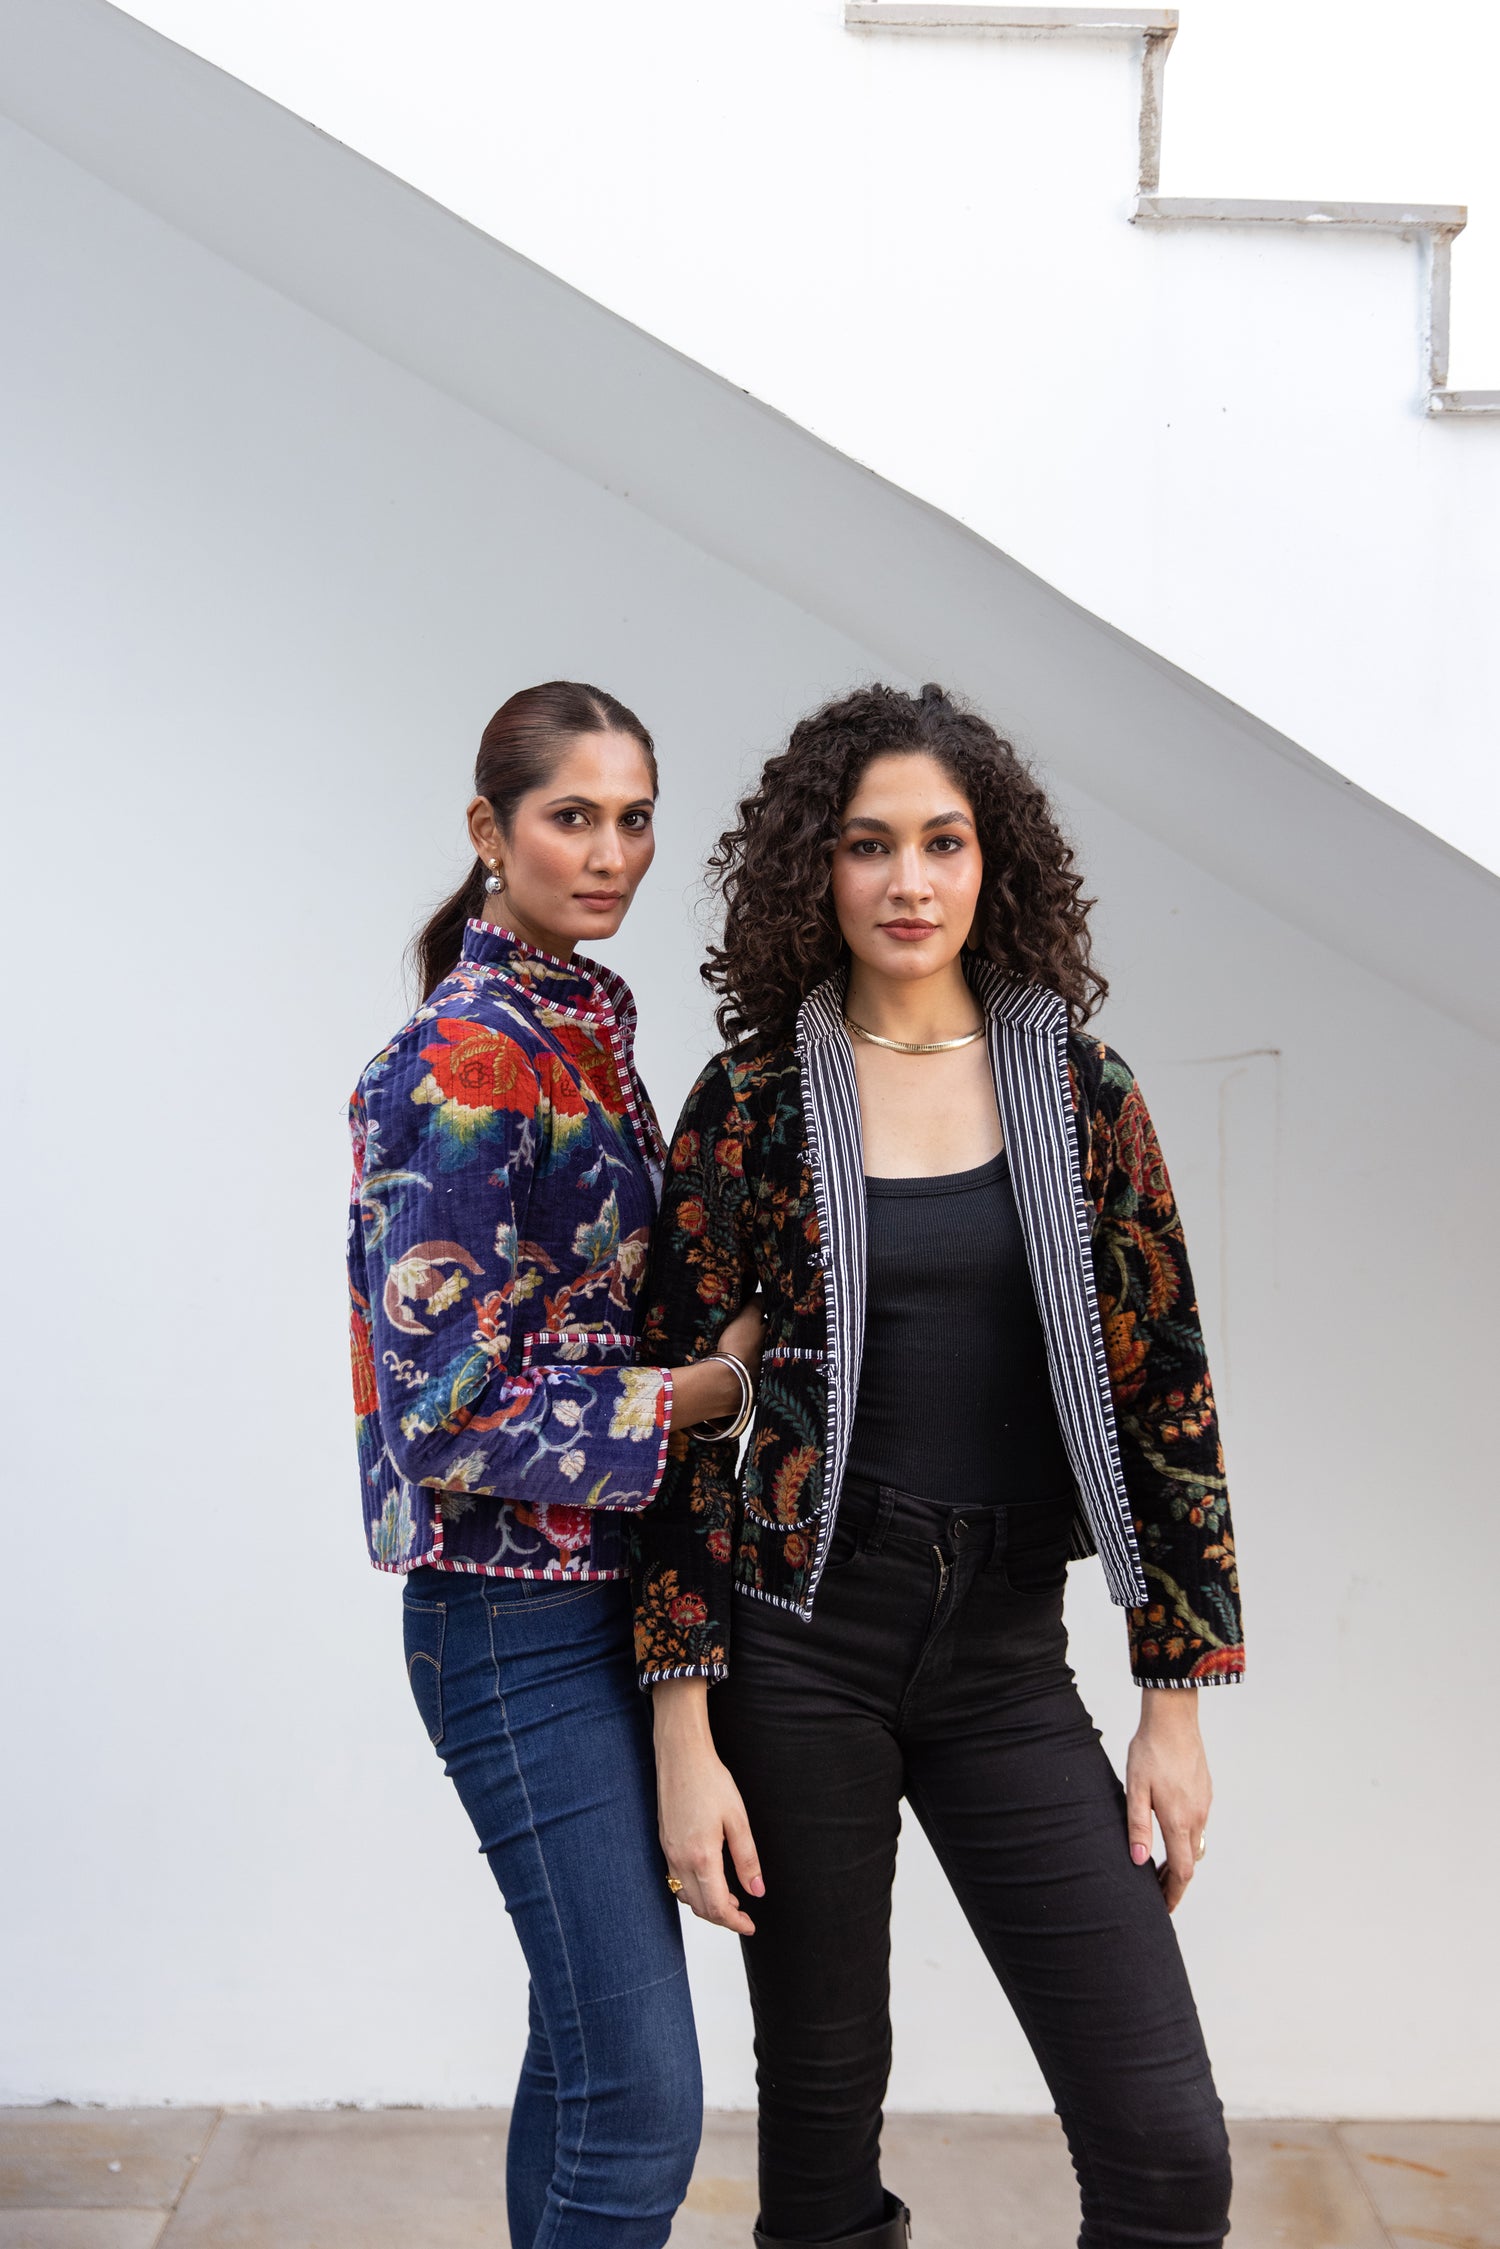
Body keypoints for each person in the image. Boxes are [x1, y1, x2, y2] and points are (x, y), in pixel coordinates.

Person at [633, 683, 1244, 2249]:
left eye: (943, 842)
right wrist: (685, 1732)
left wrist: (1171, 1701)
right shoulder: (753, 1104)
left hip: (1002, 1655)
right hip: (798, 1647)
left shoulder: (1082, 1091)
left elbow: (1166, 1393)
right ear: (816, 868)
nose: (908, 880)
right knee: (821, 2137)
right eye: (869, 844)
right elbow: (681, 1442)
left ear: (993, 862)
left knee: (1169, 2157)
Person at [346, 680, 763, 2249]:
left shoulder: (579, 1031)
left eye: (633, 818)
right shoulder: (461, 1062)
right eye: (569, 816)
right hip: (504, 1618)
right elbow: (444, 1410)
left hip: (595, 1600)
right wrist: (700, 1394)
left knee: (583, 2054)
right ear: (490, 828)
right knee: (642, 2098)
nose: (609, 853)